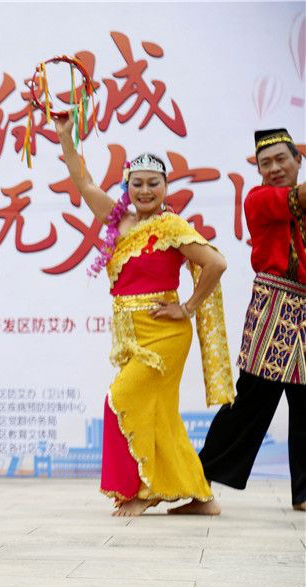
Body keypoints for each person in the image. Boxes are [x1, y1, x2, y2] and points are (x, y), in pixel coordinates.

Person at [54, 115, 234, 516]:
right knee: (162, 417)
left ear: (165, 187)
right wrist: (66, 137)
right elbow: (84, 183)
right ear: (127, 187)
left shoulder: (170, 226)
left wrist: (187, 307)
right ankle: (201, 497)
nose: (146, 190)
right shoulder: (119, 219)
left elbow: (216, 263)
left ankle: (140, 491)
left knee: (120, 399)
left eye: (154, 183)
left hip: (165, 334)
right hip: (132, 335)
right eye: (138, 183)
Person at [177, 128, 305, 513]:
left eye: (281, 159)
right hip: (275, 304)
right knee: (251, 400)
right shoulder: (260, 198)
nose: (274, 168)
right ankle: (197, 483)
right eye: (265, 163)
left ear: (298, 160)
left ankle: (304, 494)